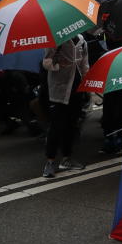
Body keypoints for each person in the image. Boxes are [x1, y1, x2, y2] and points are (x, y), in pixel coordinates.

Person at [41, 34, 90, 178]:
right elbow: (46, 62)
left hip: (77, 89)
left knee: (72, 125)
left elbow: (84, 65)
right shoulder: (56, 40)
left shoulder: (82, 41)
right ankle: (50, 162)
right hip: (59, 90)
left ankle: (67, 158)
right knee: (56, 126)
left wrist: (87, 84)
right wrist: (57, 64)